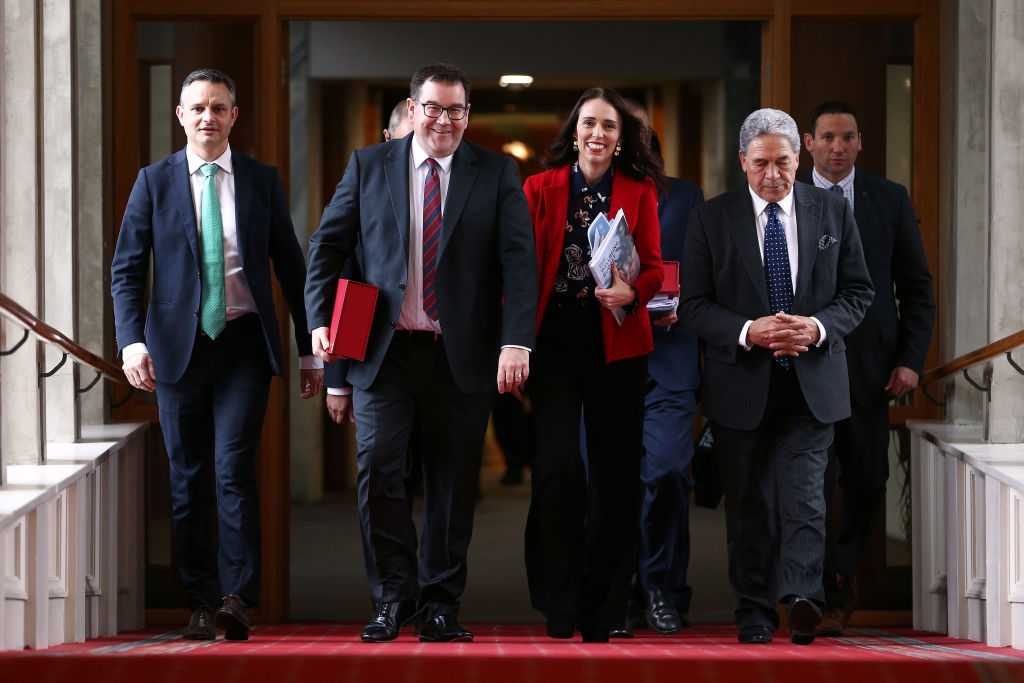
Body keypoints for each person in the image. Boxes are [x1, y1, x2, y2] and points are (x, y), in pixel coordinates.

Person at [304, 62, 537, 643]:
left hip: (460, 356)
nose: (444, 120)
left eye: (456, 110)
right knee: (379, 475)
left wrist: (515, 342)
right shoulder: (369, 164)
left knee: (453, 485)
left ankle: (439, 604)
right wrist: (318, 326)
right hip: (384, 355)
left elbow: (520, 265)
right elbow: (326, 248)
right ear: (412, 111)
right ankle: (390, 598)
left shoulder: (496, 172)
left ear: (467, 116)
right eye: (433, 108)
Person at [111, 68, 323, 642]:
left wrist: (310, 352)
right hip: (176, 352)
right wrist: (132, 340)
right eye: (198, 108)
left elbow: (291, 266)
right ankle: (200, 602)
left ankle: (236, 598)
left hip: (243, 347)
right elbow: (127, 270)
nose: (209, 117)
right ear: (181, 116)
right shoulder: (153, 183)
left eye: (220, 108)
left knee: (233, 470)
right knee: (189, 478)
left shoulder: (260, 180)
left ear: (235, 116)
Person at [679, 108, 873, 645]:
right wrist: (748, 329)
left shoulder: (831, 212)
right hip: (741, 384)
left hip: (812, 382)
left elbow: (858, 293)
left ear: (798, 158)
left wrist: (814, 326)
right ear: (743, 161)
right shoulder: (712, 219)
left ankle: (804, 598)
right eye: (761, 163)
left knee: (808, 498)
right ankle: (755, 612)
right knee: (749, 507)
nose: (772, 175)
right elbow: (693, 306)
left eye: (783, 163)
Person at [523, 87, 664, 643]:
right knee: (558, 469)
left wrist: (632, 294)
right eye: (588, 124)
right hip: (555, 342)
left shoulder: (641, 189)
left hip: (618, 344)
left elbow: (653, 268)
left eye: (609, 126)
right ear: (574, 131)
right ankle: (559, 598)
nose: (598, 134)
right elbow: (520, 268)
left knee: (615, 478)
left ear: (621, 137)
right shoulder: (540, 188)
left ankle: (605, 609)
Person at [800, 101, 935, 635]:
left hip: (871, 370)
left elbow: (917, 288)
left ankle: (840, 571)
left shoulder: (889, 199)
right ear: (808, 143)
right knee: (807, 481)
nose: (838, 147)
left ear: (860, 143)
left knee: (867, 479)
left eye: (848, 137)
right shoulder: (787, 196)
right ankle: (818, 592)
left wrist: (910, 361)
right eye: (828, 137)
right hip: (803, 365)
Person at [608, 102, 704, 637]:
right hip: (603, 363)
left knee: (666, 472)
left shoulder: (686, 199)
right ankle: (619, 593)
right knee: (610, 482)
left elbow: (707, 280)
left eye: (640, 132)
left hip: (669, 358)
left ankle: (663, 587)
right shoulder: (587, 195)